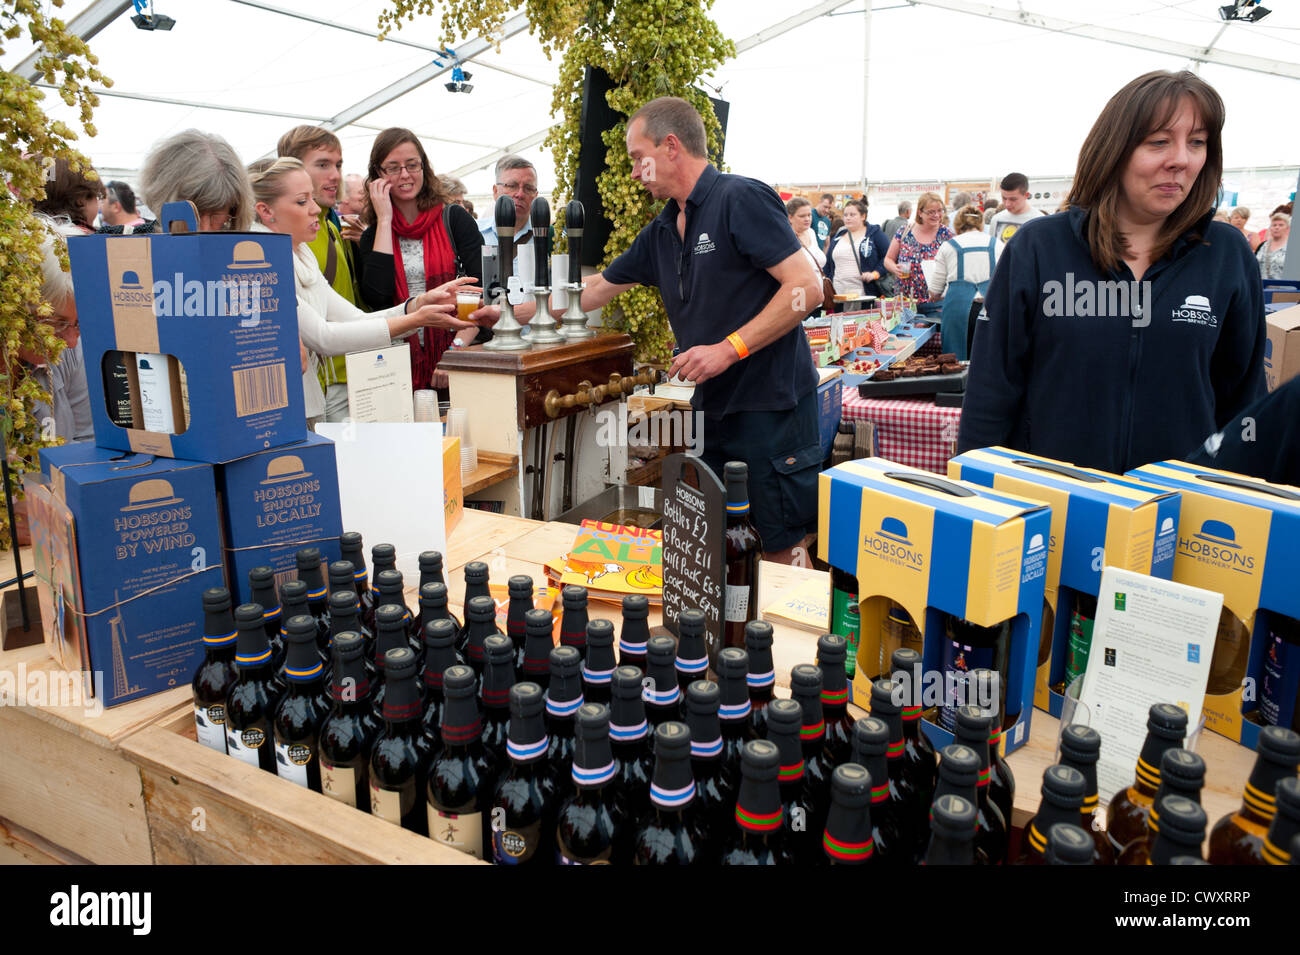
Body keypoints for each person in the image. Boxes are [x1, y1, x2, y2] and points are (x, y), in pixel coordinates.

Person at [556, 96, 823, 564]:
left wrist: (729, 348)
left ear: (672, 146)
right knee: (723, 545)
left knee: (776, 547)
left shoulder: (738, 199)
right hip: (712, 414)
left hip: (769, 411)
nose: (636, 171)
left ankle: (778, 638)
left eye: (640, 158)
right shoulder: (661, 230)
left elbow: (806, 289)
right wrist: (518, 311)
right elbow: (596, 288)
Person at [958, 70, 1266, 475]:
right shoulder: (1038, 249)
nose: (1181, 159)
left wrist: (1247, 491)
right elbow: (991, 391)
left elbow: (1245, 398)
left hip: (1182, 511)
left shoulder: (1226, 254)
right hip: (1053, 508)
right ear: (1114, 149)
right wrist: (978, 494)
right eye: (1159, 142)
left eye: (1197, 142)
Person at [250, 158, 475, 424]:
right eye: (302, 201)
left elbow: (355, 318)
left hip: (308, 402)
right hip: (278, 410)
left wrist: (418, 304)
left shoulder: (300, 253)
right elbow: (323, 337)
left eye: (312, 198)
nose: (314, 209)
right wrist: (417, 318)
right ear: (266, 211)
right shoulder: (260, 261)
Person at [357, 128, 485, 391]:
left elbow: (482, 289)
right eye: (393, 167)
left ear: (424, 167)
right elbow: (377, 298)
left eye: (412, 165)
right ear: (378, 175)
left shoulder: (455, 219)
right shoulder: (374, 234)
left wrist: (456, 350)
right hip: (396, 366)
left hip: (459, 354)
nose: (405, 175)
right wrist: (384, 220)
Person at [277, 125, 365, 422]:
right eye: (323, 164)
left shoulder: (330, 226)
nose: (335, 175)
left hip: (347, 369)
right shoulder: (287, 239)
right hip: (319, 377)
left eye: (338, 165)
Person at [139, 129, 255, 232]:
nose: (205, 229)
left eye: (215, 215)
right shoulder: (130, 246)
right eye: (195, 214)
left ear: (234, 209)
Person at [928, 205, 1001, 361]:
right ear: (981, 224)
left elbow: (935, 291)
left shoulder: (949, 246)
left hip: (957, 311)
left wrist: (937, 296)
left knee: (956, 363)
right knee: (990, 359)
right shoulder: (998, 244)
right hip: (992, 310)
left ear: (957, 224)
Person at [477, 155, 540, 321]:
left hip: (534, 340)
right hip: (482, 339)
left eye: (528, 188)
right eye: (511, 186)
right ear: (495, 191)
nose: (519, 194)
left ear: (535, 195)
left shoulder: (548, 239)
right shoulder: (474, 234)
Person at [882, 191, 952, 310]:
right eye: (931, 212)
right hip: (905, 301)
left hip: (936, 303)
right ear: (920, 212)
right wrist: (894, 268)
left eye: (940, 211)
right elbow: (888, 259)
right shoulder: (905, 231)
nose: (936, 215)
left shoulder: (946, 234)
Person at [824, 198, 889, 303]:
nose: (848, 218)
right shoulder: (838, 236)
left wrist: (875, 274)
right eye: (845, 215)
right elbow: (828, 264)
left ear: (863, 216)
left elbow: (888, 257)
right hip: (839, 296)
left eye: (852, 215)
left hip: (865, 296)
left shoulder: (874, 233)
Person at [32, 158, 104, 233]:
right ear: (81, 199)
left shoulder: (24, 237)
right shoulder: (95, 241)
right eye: (97, 196)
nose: (98, 204)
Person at [987, 172, 1045, 243]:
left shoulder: (1039, 220)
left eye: (1013, 199)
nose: (1007, 204)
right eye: (1004, 198)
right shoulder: (996, 219)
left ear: (1026, 195)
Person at [786, 197, 826, 273]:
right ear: (790, 218)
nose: (807, 219)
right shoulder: (787, 237)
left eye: (809, 215)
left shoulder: (811, 232)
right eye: (802, 216)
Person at [1257, 212, 1290, 279]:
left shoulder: (1292, 247)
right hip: (1263, 286)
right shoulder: (1264, 246)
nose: (1277, 227)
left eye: (1281, 225)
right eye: (1274, 225)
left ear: (1287, 228)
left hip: (1285, 287)